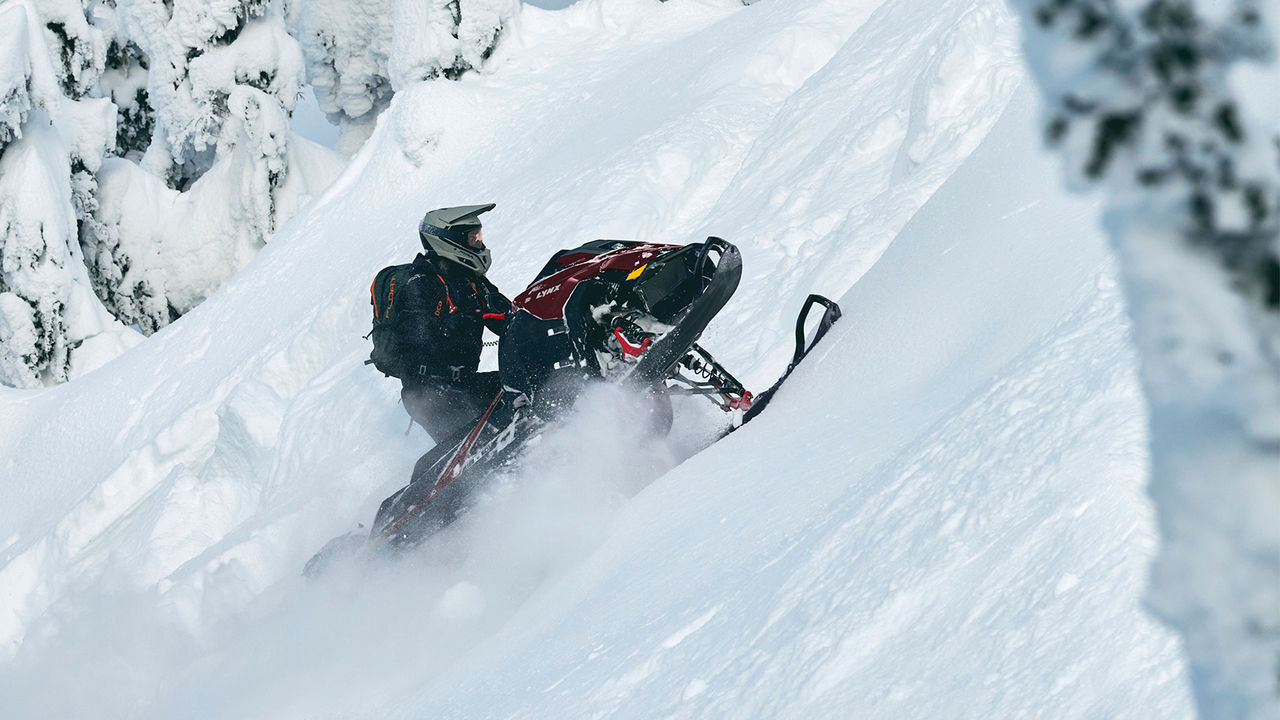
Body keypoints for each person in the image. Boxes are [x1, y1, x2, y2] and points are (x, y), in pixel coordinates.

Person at [394, 203, 512, 442]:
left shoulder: (472, 281)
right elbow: (418, 341)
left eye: (479, 236)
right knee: (476, 453)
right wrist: (466, 317)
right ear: (449, 241)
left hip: (464, 384)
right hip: (430, 394)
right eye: (473, 238)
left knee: (523, 385)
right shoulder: (421, 285)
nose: (479, 243)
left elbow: (506, 316)